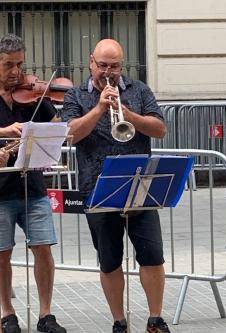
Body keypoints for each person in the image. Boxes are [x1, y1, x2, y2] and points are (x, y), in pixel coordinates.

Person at [61, 38, 171, 333]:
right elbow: (69, 135)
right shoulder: (74, 96)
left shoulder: (139, 90)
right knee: (109, 260)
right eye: (103, 66)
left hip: (140, 187)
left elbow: (159, 129)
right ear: (91, 62)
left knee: (152, 255)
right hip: (98, 189)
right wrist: (99, 108)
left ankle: (155, 319)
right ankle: (119, 321)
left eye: (115, 66)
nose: (109, 72)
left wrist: (128, 113)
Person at [0, 34, 67, 333]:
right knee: (2, 253)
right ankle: (7, 313)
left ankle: (45, 314)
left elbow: (57, 129)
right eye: (8, 65)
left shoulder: (32, 97)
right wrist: (4, 130)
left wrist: (45, 98)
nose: (16, 72)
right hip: (0, 193)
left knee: (43, 249)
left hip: (33, 187)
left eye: (20, 65)